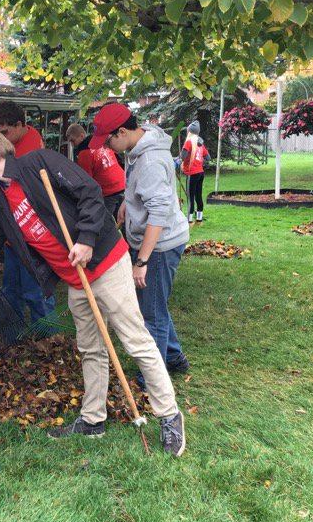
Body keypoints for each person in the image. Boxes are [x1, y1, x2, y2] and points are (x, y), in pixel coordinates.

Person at [0, 129, 185, 456]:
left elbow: (90, 193)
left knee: (135, 340)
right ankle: (93, 419)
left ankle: (169, 415)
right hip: (76, 280)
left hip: (105, 263)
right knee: (91, 347)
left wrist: (86, 240)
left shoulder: (38, 163)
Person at [90, 103, 190, 377]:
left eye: (109, 139)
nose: (108, 147)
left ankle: (152, 380)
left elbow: (158, 213)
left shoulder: (150, 161)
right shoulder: (137, 146)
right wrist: (127, 201)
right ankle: (175, 358)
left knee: (152, 316)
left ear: (122, 131)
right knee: (155, 303)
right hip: (151, 239)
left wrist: (143, 260)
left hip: (160, 245)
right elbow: (141, 190)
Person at [0, 100, 56, 328]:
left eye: (5, 132)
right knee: (11, 290)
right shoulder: (18, 136)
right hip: (12, 235)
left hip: (32, 236)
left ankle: (48, 342)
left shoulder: (31, 149)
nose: (2, 137)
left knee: (36, 292)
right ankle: (15, 334)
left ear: (20, 124)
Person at [66, 122, 126, 219]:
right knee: (124, 221)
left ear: (82, 136)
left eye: (73, 141)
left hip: (109, 192)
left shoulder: (84, 153)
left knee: (103, 224)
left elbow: (87, 180)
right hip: (123, 185)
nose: (72, 145)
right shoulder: (102, 144)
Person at [180, 120, 209, 225]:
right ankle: (199, 220)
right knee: (198, 196)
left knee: (190, 198)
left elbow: (182, 157)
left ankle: (189, 221)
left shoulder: (188, 142)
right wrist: (201, 164)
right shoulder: (200, 143)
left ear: (189, 132)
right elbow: (207, 157)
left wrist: (178, 160)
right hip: (200, 173)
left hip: (192, 173)